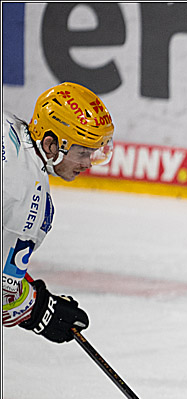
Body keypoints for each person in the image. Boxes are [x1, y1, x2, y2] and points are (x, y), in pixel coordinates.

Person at [2, 83, 114, 341]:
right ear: (51, 144)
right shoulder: (27, 200)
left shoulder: (6, 124)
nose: (88, 163)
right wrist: (40, 310)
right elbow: (5, 295)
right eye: (83, 152)